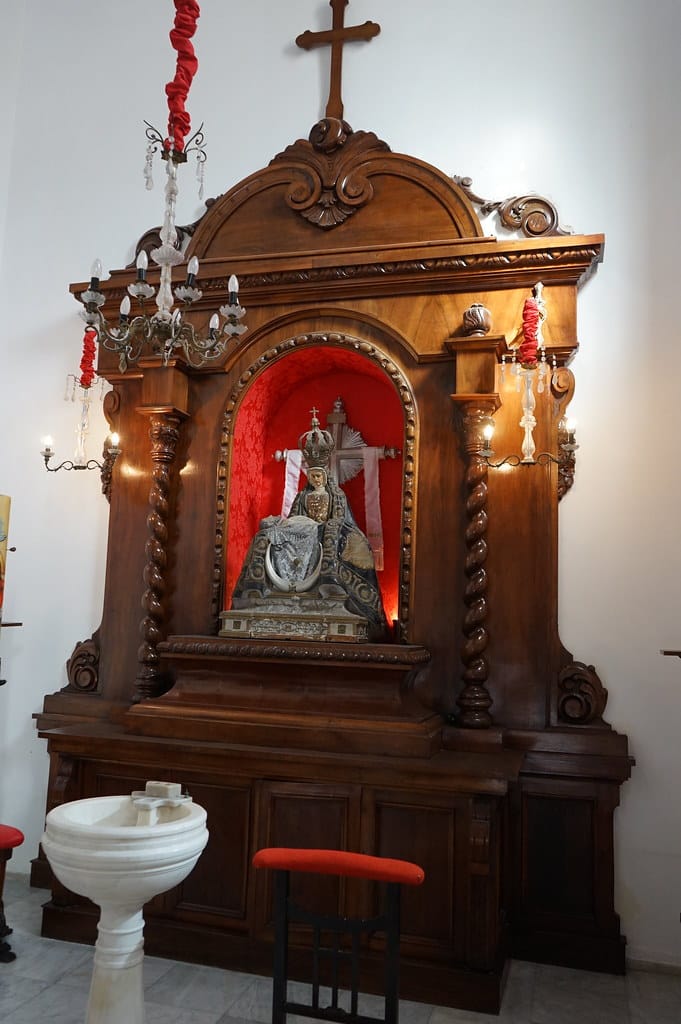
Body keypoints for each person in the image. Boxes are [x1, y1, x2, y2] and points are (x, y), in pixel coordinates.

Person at [232, 464, 387, 640]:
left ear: (325, 476)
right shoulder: (302, 496)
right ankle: (259, 588)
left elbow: (339, 518)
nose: (315, 479)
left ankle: (331, 584)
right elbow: (293, 517)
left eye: (318, 476)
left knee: (331, 532)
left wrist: (326, 525)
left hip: (323, 529)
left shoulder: (336, 495)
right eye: (311, 476)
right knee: (265, 536)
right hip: (302, 527)